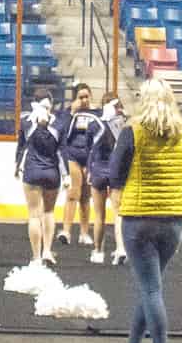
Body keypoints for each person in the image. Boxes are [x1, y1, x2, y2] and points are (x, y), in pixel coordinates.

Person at [110, 77, 182, 343]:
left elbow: (114, 172)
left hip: (139, 217)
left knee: (150, 288)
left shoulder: (132, 130)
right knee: (151, 286)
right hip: (174, 218)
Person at [15, 88, 64, 268]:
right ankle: (47, 251)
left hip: (32, 171)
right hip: (52, 172)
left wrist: (15, 166)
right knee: (49, 212)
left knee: (34, 215)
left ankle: (36, 257)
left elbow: (21, 147)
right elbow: (62, 151)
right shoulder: (59, 123)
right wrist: (65, 175)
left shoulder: (26, 122)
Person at [86, 93, 128, 266]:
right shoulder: (124, 126)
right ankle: (121, 249)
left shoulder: (94, 125)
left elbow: (89, 149)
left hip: (98, 170)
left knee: (99, 214)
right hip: (116, 170)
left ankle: (98, 251)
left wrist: (89, 169)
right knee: (119, 213)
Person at [58, 82, 101, 247]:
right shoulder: (69, 113)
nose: (84, 100)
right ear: (75, 98)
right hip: (73, 156)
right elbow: (61, 131)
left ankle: (84, 233)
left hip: (90, 157)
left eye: (86, 96)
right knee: (72, 194)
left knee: (86, 197)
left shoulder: (98, 112)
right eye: (80, 97)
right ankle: (66, 231)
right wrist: (71, 112)